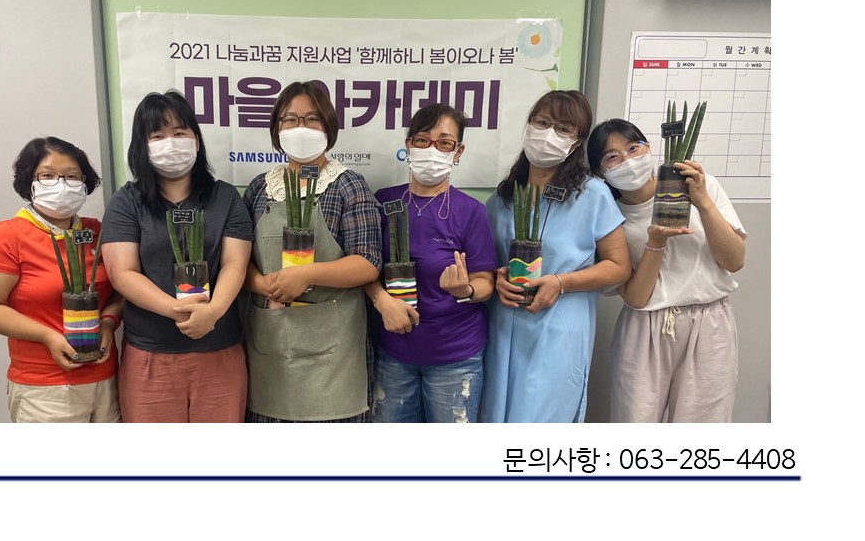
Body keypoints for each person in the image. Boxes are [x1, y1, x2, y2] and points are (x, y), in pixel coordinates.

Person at [100, 91, 253, 422]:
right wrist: (178, 311)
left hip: (219, 350)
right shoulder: (127, 202)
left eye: (179, 132)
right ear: (142, 146)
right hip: (150, 354)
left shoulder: (226, 197)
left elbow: (235, 263)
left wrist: (212, 313)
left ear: (196, 141)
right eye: (157, 136)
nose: (170, 143)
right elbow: (122, 273)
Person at [482, 90, 632, 423]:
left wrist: (562, 282)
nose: (548, 134)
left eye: (563, 129)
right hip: (504, 328)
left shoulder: (592, 194)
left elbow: (619, 267)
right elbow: (488, 265)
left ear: (576, 142)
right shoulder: (502, 199)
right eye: (542, 122)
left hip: (560, 328)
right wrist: (497, 280)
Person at [587, 118, 747, 422]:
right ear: (599, 171)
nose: (628, 160)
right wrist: (656, 242)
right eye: (612, 157)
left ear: (648, 148)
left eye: (633, 148)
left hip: (710, 322)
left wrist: (702, 202)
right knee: (635, 421)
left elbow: (735, 260)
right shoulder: (609, 215)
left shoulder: (702, 186)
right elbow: (636, 298)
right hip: (645, 327)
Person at [241, 81, 382, 422]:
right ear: (277, 128)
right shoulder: (260, 187)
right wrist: (261, 284)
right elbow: (238, 260)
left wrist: (305, 275)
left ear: (328, 126)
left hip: (333, 357)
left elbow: (367, 262)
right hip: (271, 346)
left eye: (312, 119)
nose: (300, 128)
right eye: (290, 119)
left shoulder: (348, 185)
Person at [0, 137, 121, 423]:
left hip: (107, 379)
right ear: (29, 183)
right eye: (47, 176)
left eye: (72, 176)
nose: (61, 184)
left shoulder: (96, 232)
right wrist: (47, 336)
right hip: (45, 387)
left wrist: (109, 322)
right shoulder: (7, 235)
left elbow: (120, 288)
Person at [366, 104, 497, 423]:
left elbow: (485, 283)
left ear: (458, 151)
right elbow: (364, 266)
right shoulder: (384, 201)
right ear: (409, 144)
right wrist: (380, 300)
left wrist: (465, 290)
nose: (432, 149)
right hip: (394, 353)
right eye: (423, 140)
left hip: (455, 355)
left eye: (444, 143)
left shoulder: (471, 211)